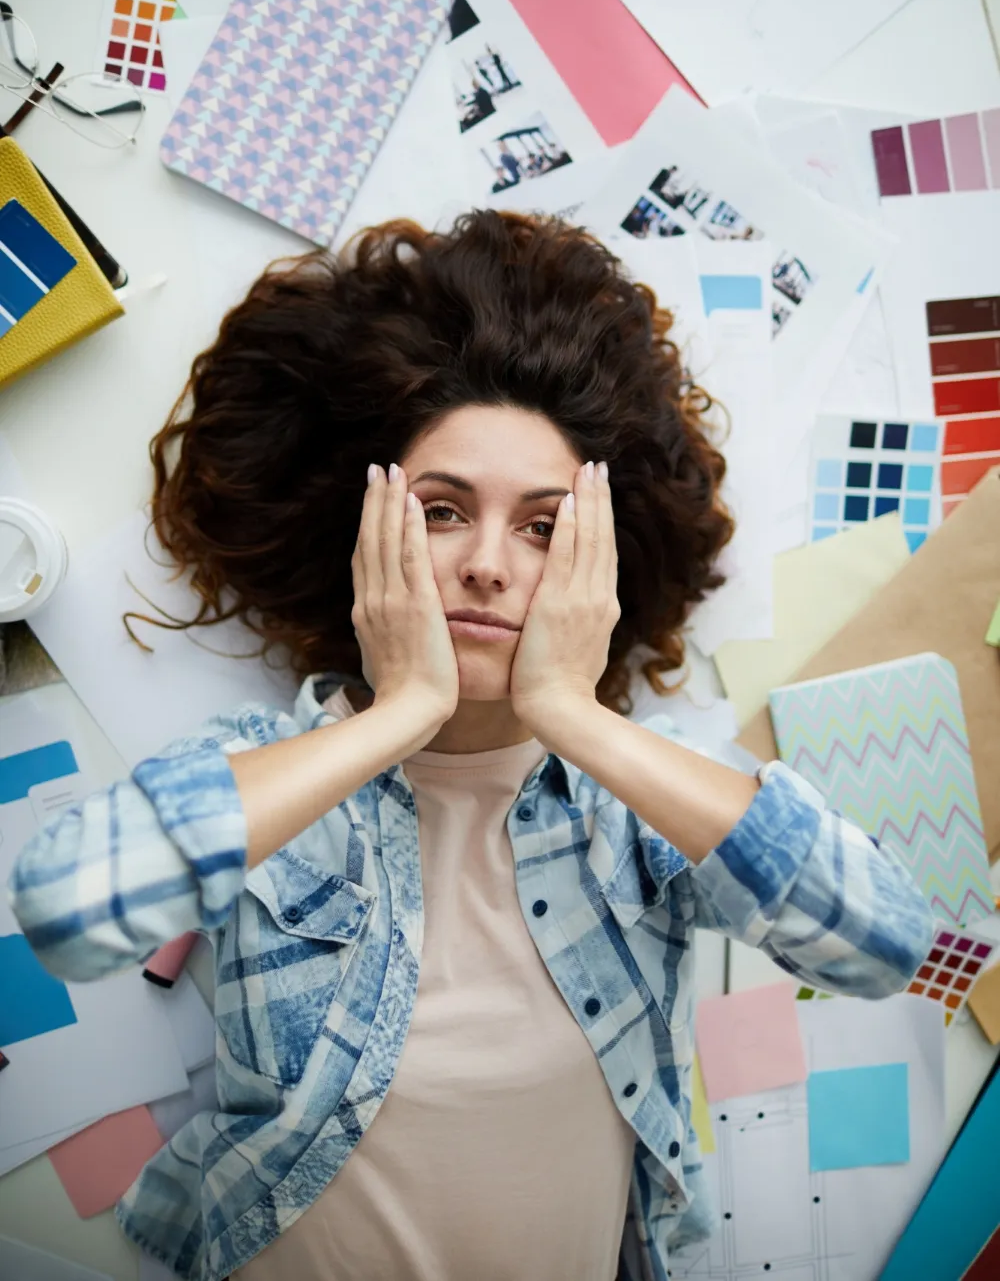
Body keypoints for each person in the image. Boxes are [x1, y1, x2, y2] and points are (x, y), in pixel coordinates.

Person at [10, 211, 934, 1281]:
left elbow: (884, 943)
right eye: (443, 511)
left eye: (543, 528)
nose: (489, 565)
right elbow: (68, 912)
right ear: (366, 536)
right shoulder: (263, 767)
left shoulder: (648, 791)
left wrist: (576, 715)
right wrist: (399, 713)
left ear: (599, 561)